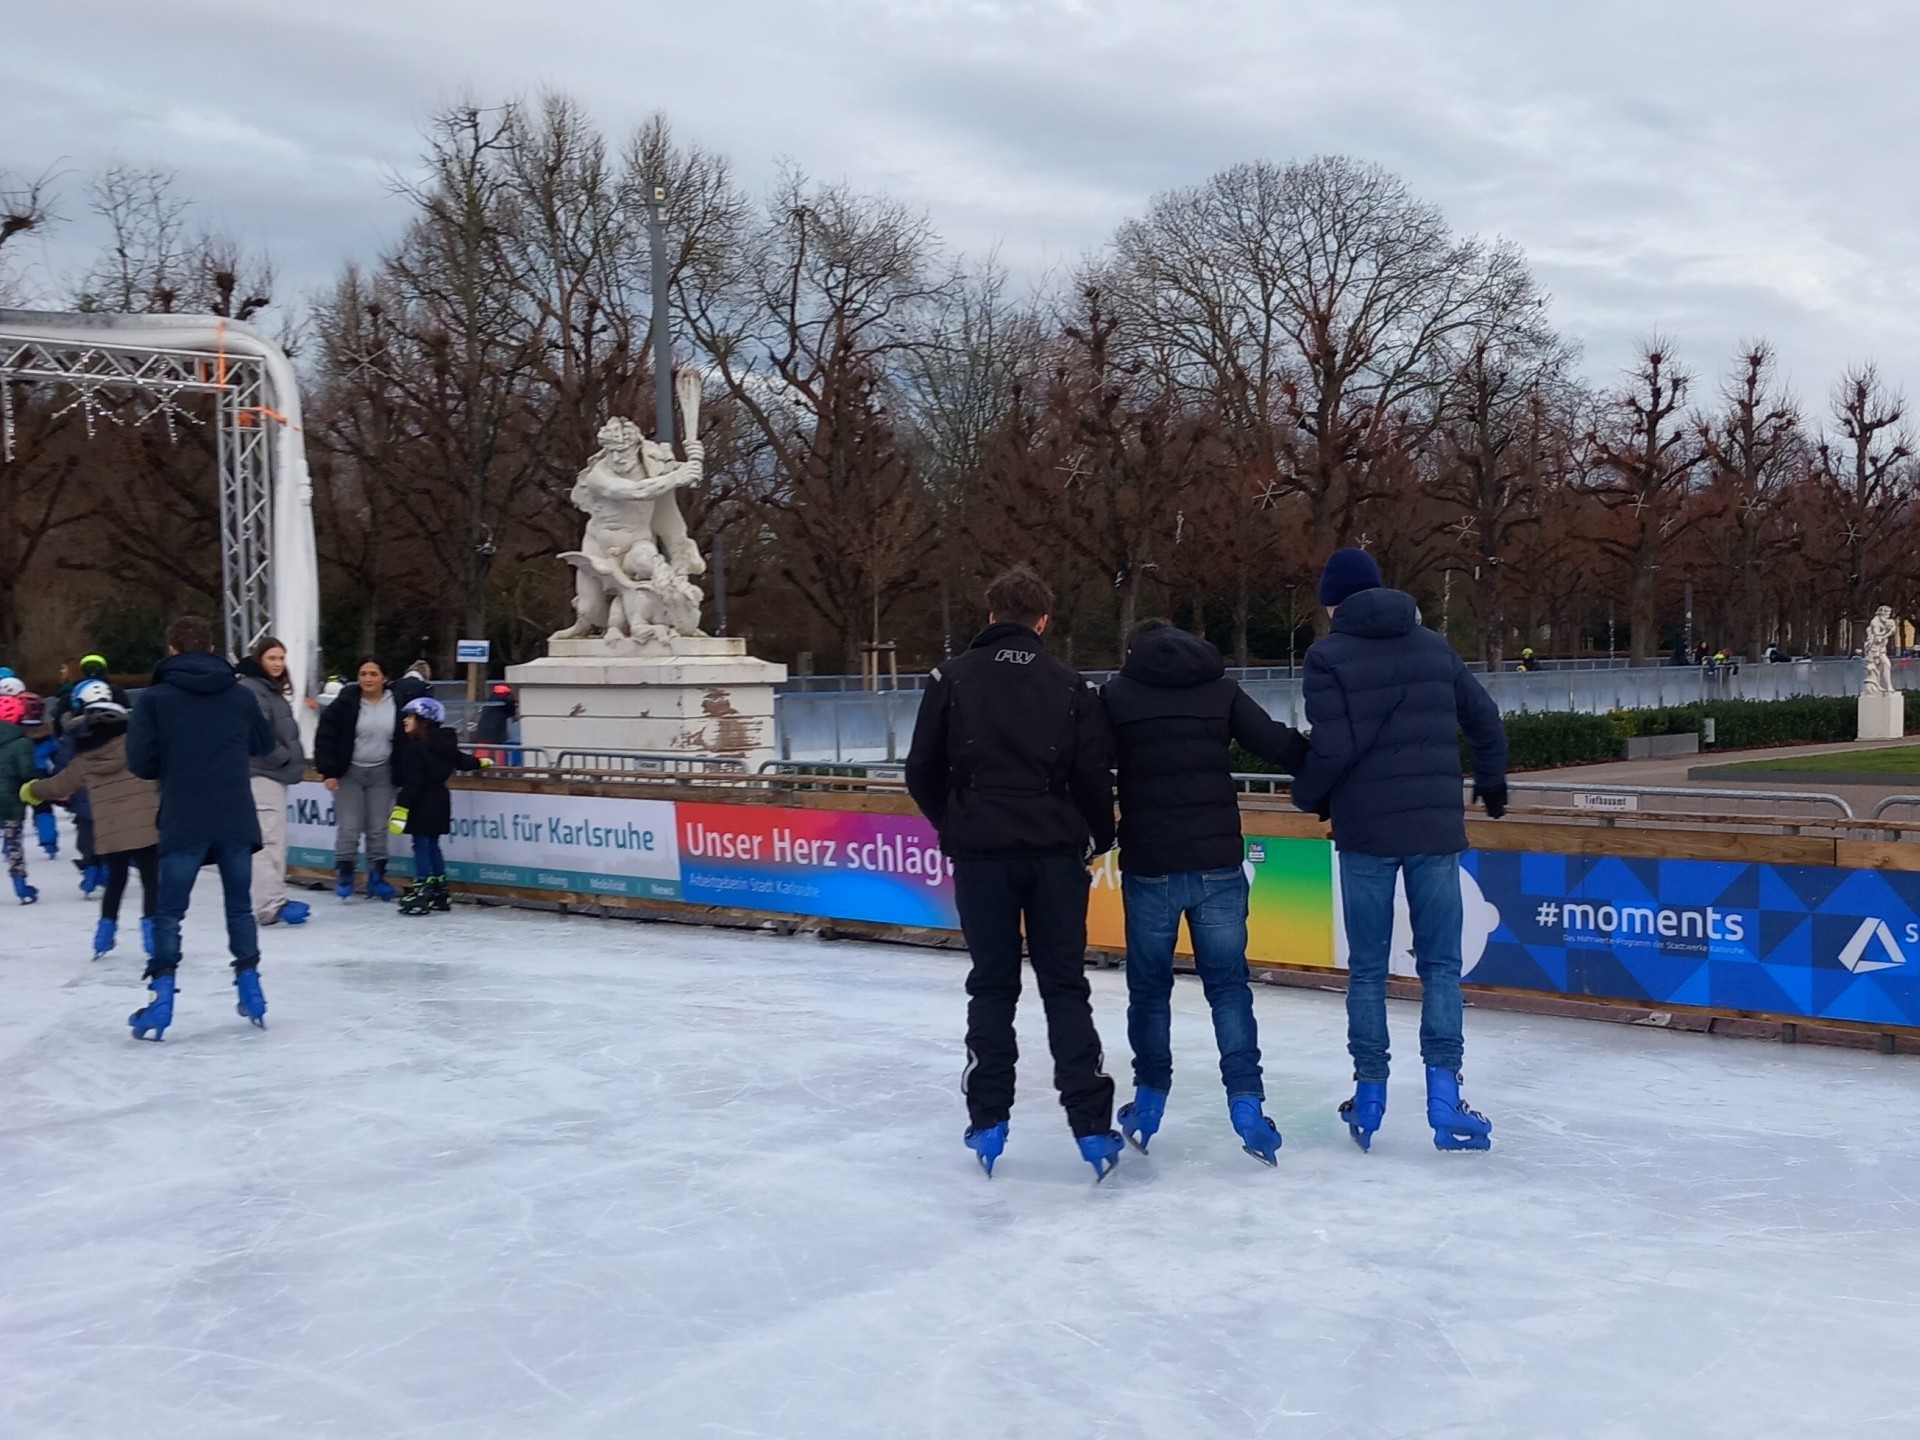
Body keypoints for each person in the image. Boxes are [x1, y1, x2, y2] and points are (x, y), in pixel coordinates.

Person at [904, 565, 1124, 1180]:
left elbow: (920, 769)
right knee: (1065, 987)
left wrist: (956, 822)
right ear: (1043, 621)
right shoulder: (1071, 686)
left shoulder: (950, 678)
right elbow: (1091, 775)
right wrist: (1101, 836)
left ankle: (989, 1118)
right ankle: (1090, 1124)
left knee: (993, 986)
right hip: (1054, 853)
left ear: (991, 615)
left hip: (982, 856)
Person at [1289, 548, 1508, 1153]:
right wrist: (1491, 779)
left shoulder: (1326, 655)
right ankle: (1444, 1096)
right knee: (1440, 966)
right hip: (1435, 830)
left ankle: (1370, 1092)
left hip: (1366, 833)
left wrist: (1308, 795)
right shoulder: (1433, 646)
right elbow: (1484, 717)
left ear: (1333, 603)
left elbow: (1332, 747)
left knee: (1367, 967)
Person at [1100, 619, 1308, 1165]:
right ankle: (1247, 1103)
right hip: (1217, 865)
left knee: (1149, 990)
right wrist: (1329, 774)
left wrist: (1093, 830)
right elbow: (1277, 743)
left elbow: (1086, 765)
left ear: (1132, 650)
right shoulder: (1220, 690)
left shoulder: (1117, 696)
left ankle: (1148, 1102)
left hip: (1151, 866)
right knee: (1229, 988)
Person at [125, 615, 275, 1040]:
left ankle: (161, 999)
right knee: (239, 906)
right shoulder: (240, 695)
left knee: (169, 912)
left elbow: (140, 762)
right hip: (235, 815)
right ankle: (251, 989)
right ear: (211, 649)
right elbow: (263, 744)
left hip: (184, 815)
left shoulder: (155, 699)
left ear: (172, 650)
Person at [20, 687, 160, 960]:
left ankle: (104, 933)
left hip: (110, 831)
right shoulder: (137, 746)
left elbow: (59, 785)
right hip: (146, 827)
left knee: (116, 881)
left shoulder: (84, 760)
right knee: (151, 881)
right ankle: (153, 937)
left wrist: (32, 790)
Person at [314, 657, 405, 902]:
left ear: (385, 678)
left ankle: (377, 876)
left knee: (378, 827)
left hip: (383, 772)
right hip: (349, 772)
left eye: (373, 674)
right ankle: (346, 873)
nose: (367, 679)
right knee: (350, 826)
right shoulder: (345, 703)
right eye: (363, 674)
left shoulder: (397, 702)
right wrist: (328, 771)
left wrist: (406, 770)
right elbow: (326, 737)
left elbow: (407, 737)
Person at [238, 636, 311, 928]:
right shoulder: (253, 689)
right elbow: (256, 732)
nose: (278, 664)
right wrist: (282, 757)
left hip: (271, 773)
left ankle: (272, 898)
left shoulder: (266, 688)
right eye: (272, 658)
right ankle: (269, 904)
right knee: (268, 840)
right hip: (262, 773)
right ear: (260, 659)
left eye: (281, 658)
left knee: (274, 838)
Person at [389, 696, 486, 916]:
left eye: (410, 717)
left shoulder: (414, 748)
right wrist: (479, 763)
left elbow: (413, 783)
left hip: (422, 801)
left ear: (423, 721)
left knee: (421, 845)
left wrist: (401, 808)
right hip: (440, 799)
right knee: (432, 845)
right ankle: (440, 891)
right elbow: (462, 760)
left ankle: (422, 889)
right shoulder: (444, 744)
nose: (405, 720)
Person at [0, 691, 39, 903]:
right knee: (13, 843)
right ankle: (21, 887)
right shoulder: (22, 743)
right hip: (10, 801)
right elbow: (27, 773)